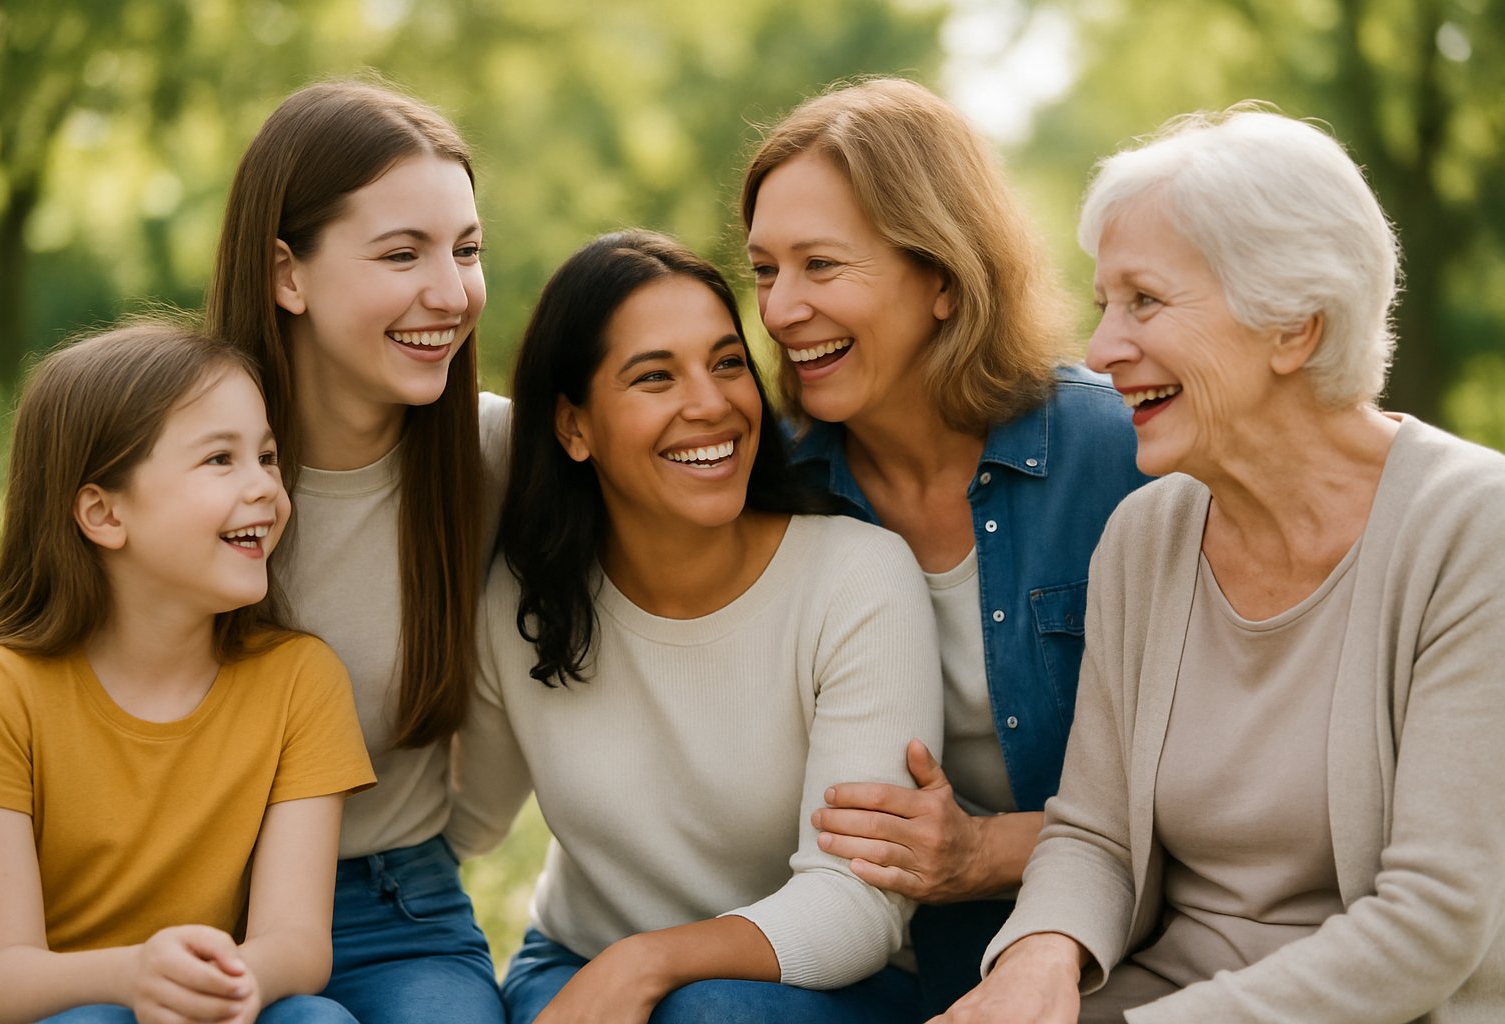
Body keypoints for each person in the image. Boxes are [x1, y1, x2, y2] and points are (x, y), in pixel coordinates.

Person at [937, 107, 1505, 1024]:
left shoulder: (1475, 528)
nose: (1100, 352)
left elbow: (1432, 923)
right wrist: (1037, 963)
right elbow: (1095, 834)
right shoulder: (1146, 534)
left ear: (1293, 326)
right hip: (1155, 995)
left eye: (1146, 302)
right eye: (1104, 306)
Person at [444, 229, 944, 1024]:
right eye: (654, 376)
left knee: (711, 1016)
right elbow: (459, 823)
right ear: (572, 427)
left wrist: (648, 964)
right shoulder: (523, 600)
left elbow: (858, 904)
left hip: (816, 988)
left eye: (726, 362)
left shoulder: (855, 578)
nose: (710, 403)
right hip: (580, 959)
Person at [739, 77, 1149, 1012]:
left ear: (943, 279)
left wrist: (984, 852)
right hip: (871, 962)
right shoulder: (776, 493)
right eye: (765, 270)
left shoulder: (1123, 454)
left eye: (821, 266)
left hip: (1102, 960)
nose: (779, 310)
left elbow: (1225, 791)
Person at [205, 82, 510, 1024]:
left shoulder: (500, 455)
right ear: (286, 274)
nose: (451, 294)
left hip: (396, 905)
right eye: (401, 254)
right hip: (182, 900)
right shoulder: (167, 460)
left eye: (466, 250)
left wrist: (452, 837)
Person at [0, 323, 375, 1024]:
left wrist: (230, 983)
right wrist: (136, 976)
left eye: (268, 456)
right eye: (221, 459)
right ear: (103, 512)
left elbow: (298, 943)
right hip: (79, 1006)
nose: (267, 490)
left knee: (318, 1019)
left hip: (226, 996)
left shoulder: (301, 680)